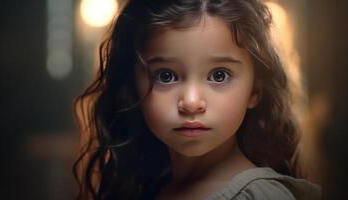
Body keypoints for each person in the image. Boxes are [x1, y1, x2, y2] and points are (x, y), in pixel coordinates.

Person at [73, 0, 321, 199]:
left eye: (219, 75)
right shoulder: (147, 186)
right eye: (166, 75)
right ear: (132, 87)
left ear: (255, 90)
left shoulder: (259, 195)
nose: (191, 102)